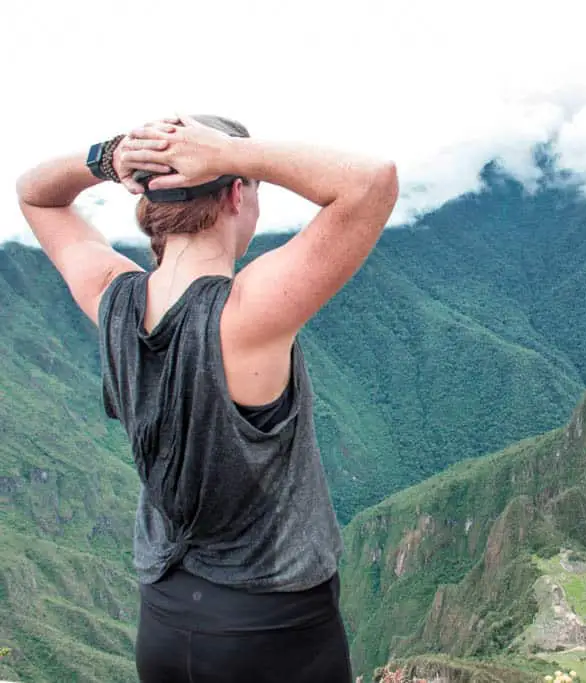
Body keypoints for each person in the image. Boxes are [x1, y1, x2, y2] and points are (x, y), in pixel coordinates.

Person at [15, 114, 399, 682]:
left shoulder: (112, 300)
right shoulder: (245, 315)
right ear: (236, 192)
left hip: (165, 622)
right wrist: (230, 153)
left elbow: (34, 196)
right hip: (272, 630)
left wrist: (107, 157)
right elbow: (372, 182)